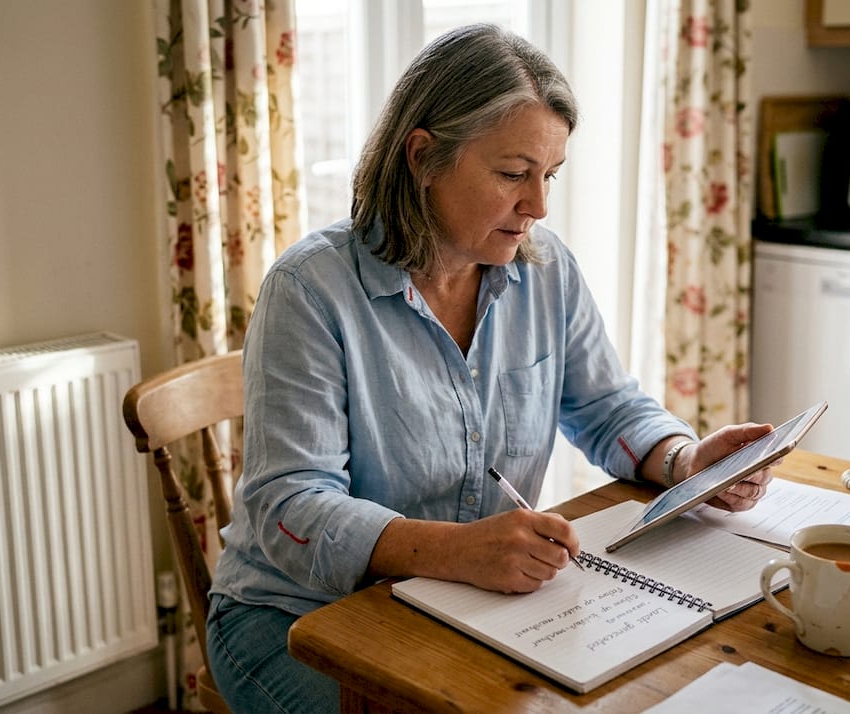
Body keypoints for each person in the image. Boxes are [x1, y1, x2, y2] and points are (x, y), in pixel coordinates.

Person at [206, 23, 776, 713]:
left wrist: (687, 462)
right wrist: (459, 552)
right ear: (423, 157)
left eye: (549, 176)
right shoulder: (310, 291)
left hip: (458, 603)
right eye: (513, 174)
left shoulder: (546, 268)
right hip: (297, 619)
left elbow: (605, 407)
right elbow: (290, 508)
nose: (537, 205)